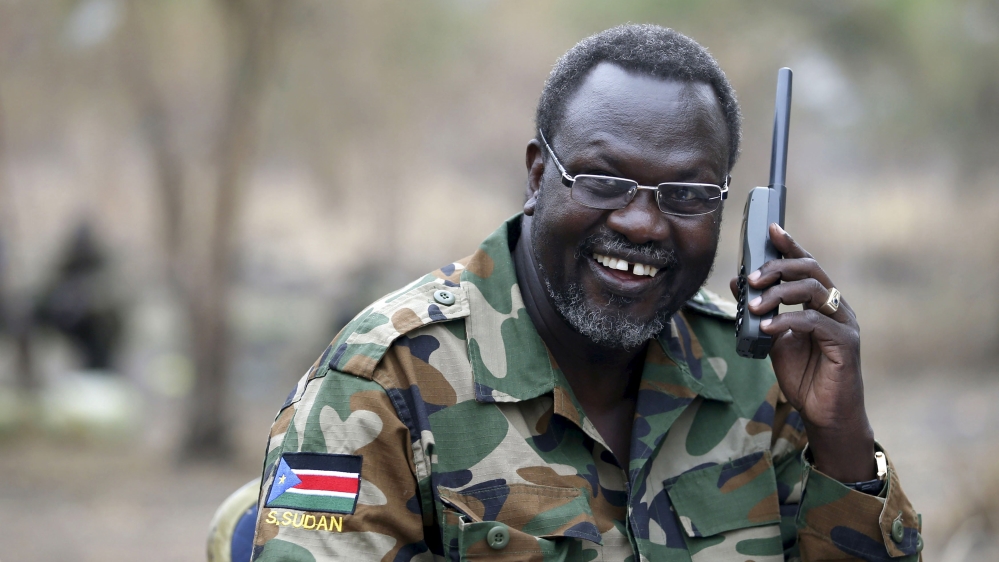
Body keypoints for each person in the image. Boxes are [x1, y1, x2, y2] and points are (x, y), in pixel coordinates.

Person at [249, 24, 921, 561]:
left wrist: (842, 439)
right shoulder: (381, 378)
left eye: (686, 194)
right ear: (538, 175)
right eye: (602, 179)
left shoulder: (757, 373)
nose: (641, 222)